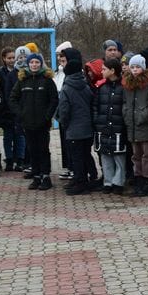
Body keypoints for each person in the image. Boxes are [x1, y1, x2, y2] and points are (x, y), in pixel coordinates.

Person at [11, 53, 59, 190]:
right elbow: (13, 98)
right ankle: (36, 175)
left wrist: (47, 116)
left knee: (43, 149)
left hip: (42, 123)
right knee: (32, 150)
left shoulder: (47, 80)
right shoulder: (22, 80)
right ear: (28, 64)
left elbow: (54, 99)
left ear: (41, 64)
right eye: (31, 62)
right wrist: (21, 114)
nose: (34, 65)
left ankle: (46, 176)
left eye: (36, 62)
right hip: (27, 122)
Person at [57, 51, 95, 196]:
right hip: (87, 127)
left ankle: (80, 182)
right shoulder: (85, 85)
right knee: (86, 154)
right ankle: (90, 177)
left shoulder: (67, 87)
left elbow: (64, 109)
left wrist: (64, 123)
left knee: (76, 157)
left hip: (73, 128)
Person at [122, 54, 148, 197]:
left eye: (138, 67)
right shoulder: (127, 85)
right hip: (132, 126)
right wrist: (126, 114)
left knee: (147, 155)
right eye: (132, 67)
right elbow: (125, 103)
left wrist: (143, 115)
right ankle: (139, 180)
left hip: (146, 125)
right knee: (136, 155)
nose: (135, 70)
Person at [93, 58, 127, 194]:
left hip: (118, 128)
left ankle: (118, 182)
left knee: (119, 157)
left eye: (104, 69)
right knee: (105, 156)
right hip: (103, 127)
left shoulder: (123, 88)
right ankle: (107, 182)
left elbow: (125, 107)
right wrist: (97, 121)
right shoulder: (101, 88)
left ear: (112, 71)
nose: (101, 71)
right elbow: (95, 106)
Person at [0, 47, 25, 172]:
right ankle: (9, 160)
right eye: (9, 58)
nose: (12, 60)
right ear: (4, 59)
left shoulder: (20, 72)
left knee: (19, 136)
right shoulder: (0, 73)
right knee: (7, 137)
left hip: (18, 110)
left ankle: (20, 159)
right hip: (5, 110)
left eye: (13, 58)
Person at [53, 42, 74, 180]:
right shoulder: (58, 71)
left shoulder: (73, 72)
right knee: (63, 141)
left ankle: (74, 167)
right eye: (59, 56)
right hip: (61, 111)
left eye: (63, 56)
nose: (60, 59)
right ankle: (67, 166)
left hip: (71, 112)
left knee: (71, 142)